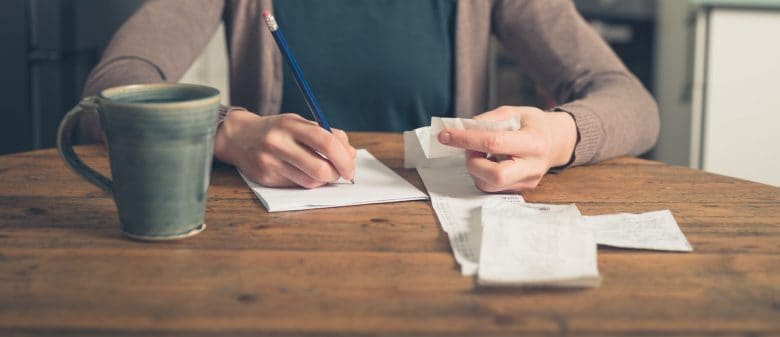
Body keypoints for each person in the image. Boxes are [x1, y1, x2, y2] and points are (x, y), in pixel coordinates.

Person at [81, 0, 659, 193]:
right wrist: (224, 128)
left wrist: (561, 135)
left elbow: (630, 102)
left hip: (445, 248)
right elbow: (109, 91)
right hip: (267, 244)